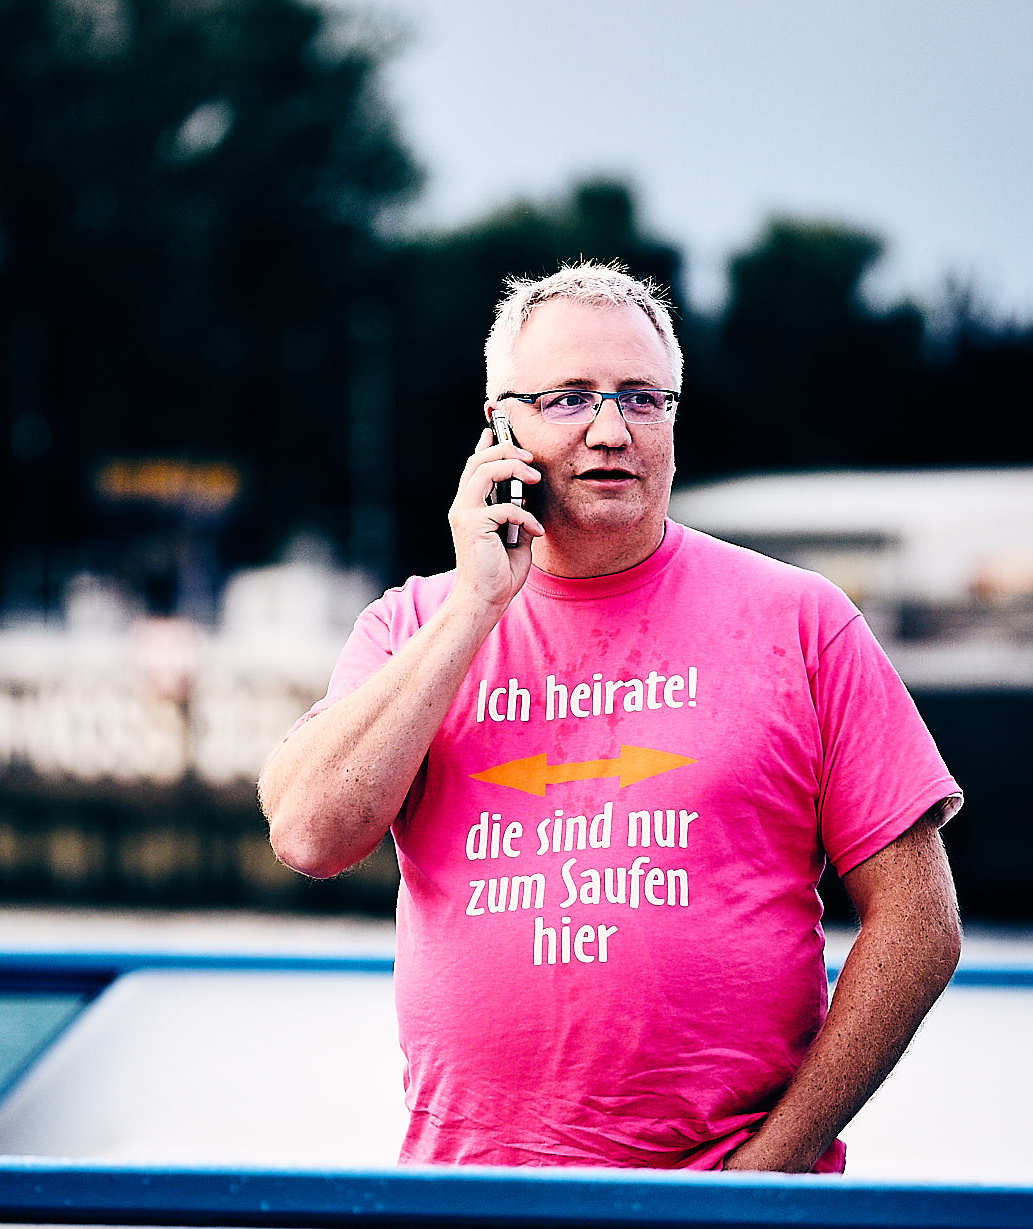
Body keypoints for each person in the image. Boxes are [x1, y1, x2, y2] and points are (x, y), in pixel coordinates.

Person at [259, 262, 963, 1173]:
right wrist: (476, 605)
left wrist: (768, 1171)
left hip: (726, 1203)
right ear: (498, 430)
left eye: (642, 398)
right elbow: (309, 833)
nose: (610, 430)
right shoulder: (413, 626)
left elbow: (920, 923)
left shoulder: (802, 621)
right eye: (567, 398)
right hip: (467, 1203)